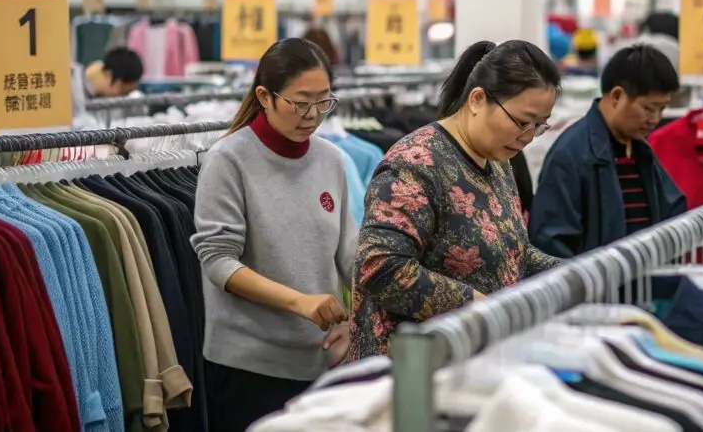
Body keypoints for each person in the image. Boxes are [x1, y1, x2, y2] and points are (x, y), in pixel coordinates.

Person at [346, 40, 562, 360]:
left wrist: (575, 272)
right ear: (477, 100)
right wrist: (475, 304)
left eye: (539, 126)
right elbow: (380, 266)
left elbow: (512, 251)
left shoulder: (498, 162)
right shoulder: (415, 163)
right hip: (406, 371)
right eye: (521, 122)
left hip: (469, 357)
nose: (528, 136)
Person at [190, 38, 358, 432]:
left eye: (324, 101)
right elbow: (218, 261)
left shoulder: (331, 159)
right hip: (249, 366)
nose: (313, 114)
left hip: (321, 361)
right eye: (300, 102)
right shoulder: (228, 160)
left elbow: (349, 252)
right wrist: (299, 302)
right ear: (264, 96)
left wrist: (361, 318)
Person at [529, 44, 687, 258]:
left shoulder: (642, 153)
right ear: (617, 96)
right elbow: (551, 244)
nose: (655, 119)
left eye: (662, 109)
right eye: (648, 108)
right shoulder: (571, 155)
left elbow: (672, 213)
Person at [70, 47, 144, 115]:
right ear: (108, 75)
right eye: (123, 92)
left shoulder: (91, 93)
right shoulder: (68, 83)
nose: (120, 98)